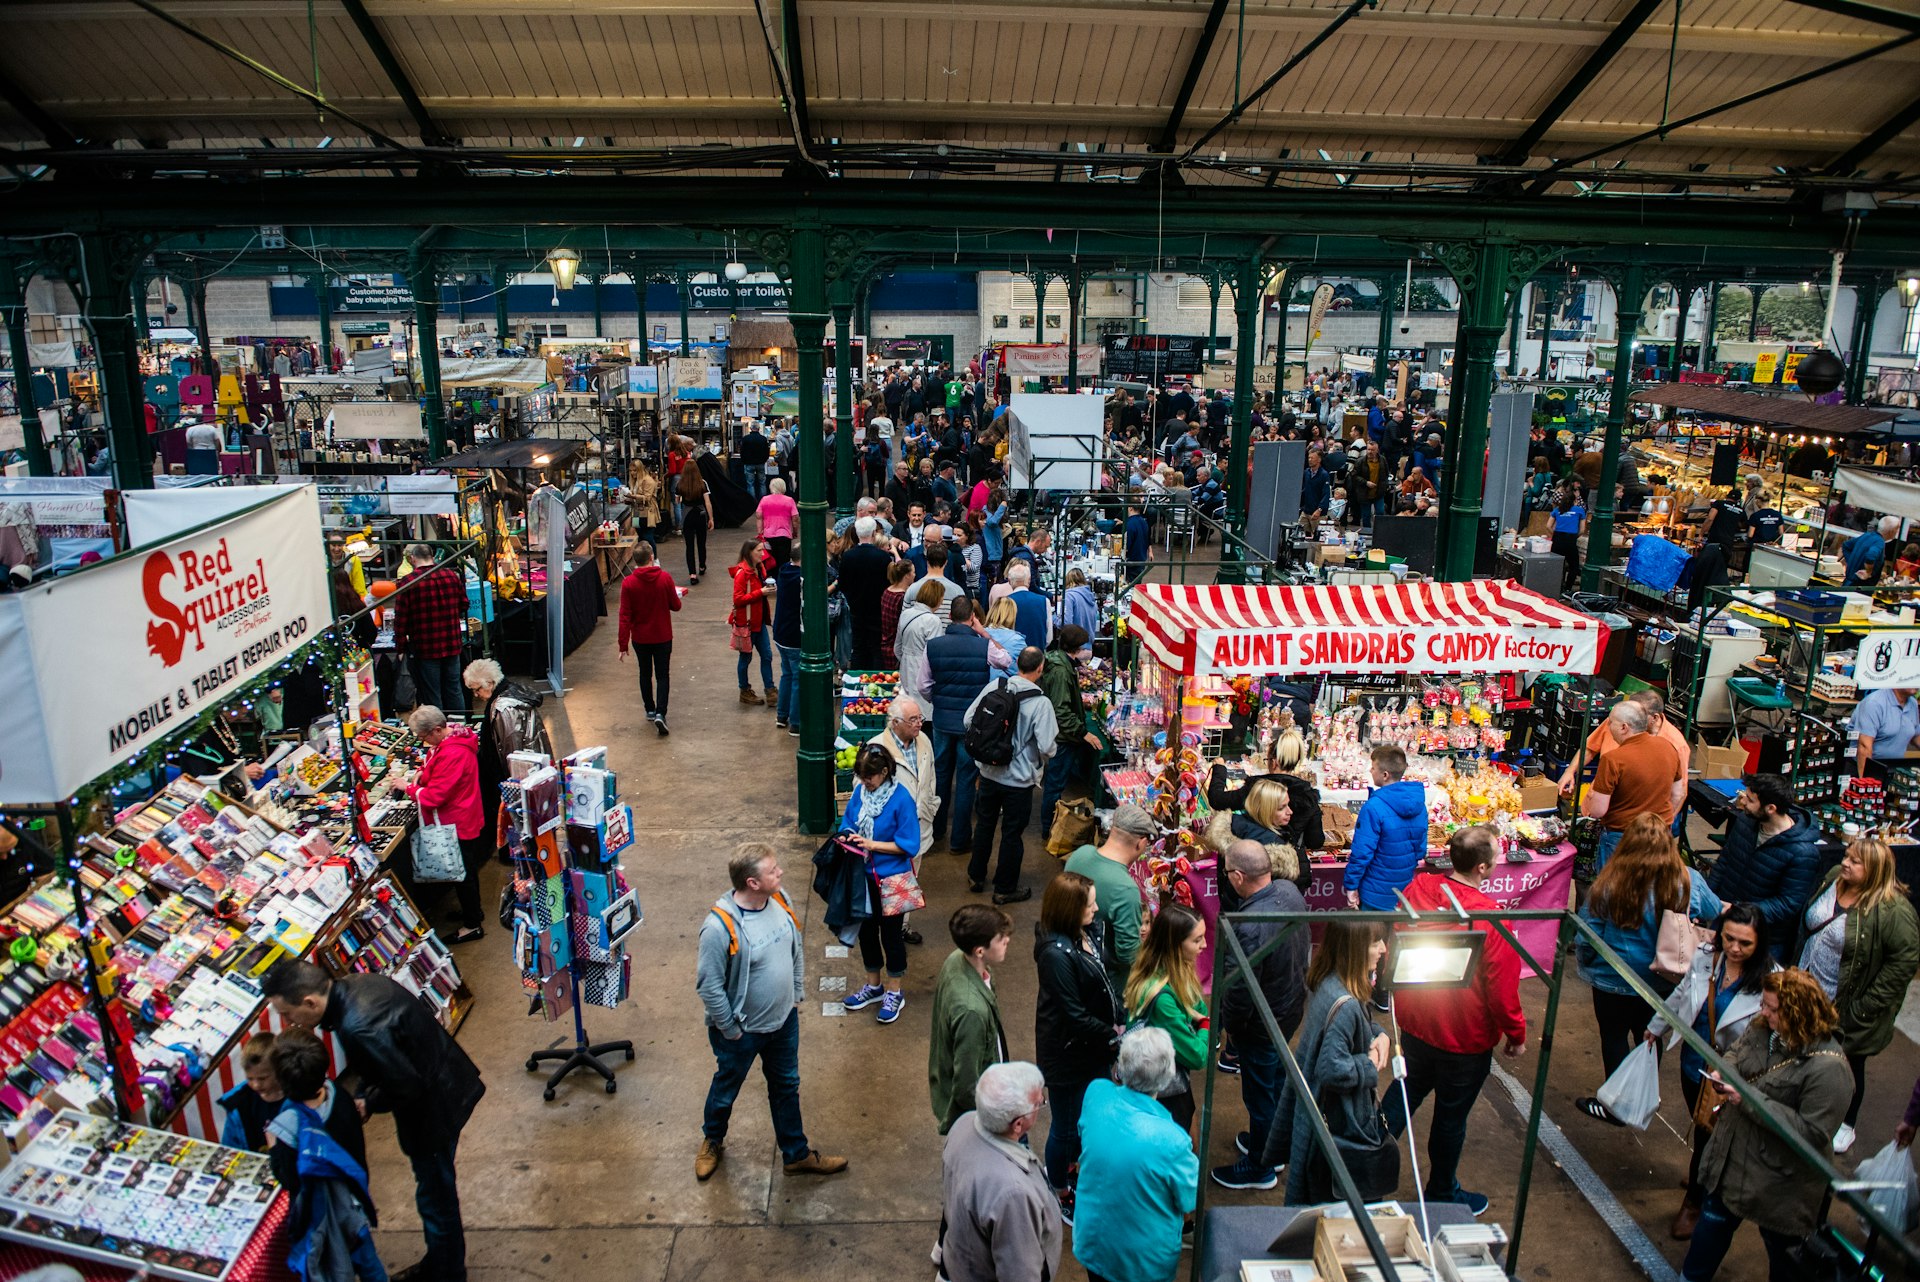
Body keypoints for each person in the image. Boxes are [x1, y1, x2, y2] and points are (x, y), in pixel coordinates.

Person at [262, 960, 485, 1282]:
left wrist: (369, 1102)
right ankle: (441, 1262)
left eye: (288, 1014)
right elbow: (380, 1062)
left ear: (310, 1002)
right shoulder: (358, 985)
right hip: (445, 1082)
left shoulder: (358, 1026)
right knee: (436, 1193)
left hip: (433, 1111)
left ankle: (447, 1272)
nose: (290, 1022)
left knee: (436, 1199)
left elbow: (405, 1084)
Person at [1383, 826, 1526, 1217]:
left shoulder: (1417, 890)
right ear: (1483, 868)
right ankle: (1442, 1191)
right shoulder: (1490, 919)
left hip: (1416, 1021)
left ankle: (1362, 1162)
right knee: (1450, 1117)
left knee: (1402, 1094)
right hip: (1464, 1037)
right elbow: (1501, 988)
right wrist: (1516, 1033)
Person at [1680, 969, 1852, 1282]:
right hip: (1732, 1162)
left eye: (1772, 1009)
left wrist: (1745, 1098)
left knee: (1783, 1256)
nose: (1764, 1013)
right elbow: (1735, 1051)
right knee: (1711, 1226)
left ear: (1797, 1014)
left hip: (1780, 1183)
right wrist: (1724, 1071)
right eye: (1764, 1005)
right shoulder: (1763, 1028)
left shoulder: (1830, 1069)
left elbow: (1813, 1133)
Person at [693, 843, 848, 1181]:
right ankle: (712, 1140)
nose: (781, 873)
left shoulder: (780, 900)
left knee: (786, 1087)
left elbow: (794, 948)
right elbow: (709, 987)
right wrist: (732, 1030)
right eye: (772, 871)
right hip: (742, 1032)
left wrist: (795, 994)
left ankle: (796, 1154)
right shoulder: (718, 928)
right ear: (752, 883)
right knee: (726, 1087)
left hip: (783, 1022)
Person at [1574, 814, 1722, 1123]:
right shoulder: (1687, 880)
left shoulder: (1610, 881)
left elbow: (1588, 933)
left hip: (1613, 979)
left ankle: (1615, 1106)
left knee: (1613, 1037)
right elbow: (1712, 909)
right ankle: (1641, 1100)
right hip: (1663, 982)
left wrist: (1588, 964)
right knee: (1650, 1038)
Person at [1646, 904, 1778, 1240]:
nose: (1734, 948)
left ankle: (1694, 1201)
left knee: (1710, 1134)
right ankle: (1704, 1171)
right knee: (1700, 1122)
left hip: (1730, 1075)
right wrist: (1656, 1026)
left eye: (1744, 943)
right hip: (1694, 1063)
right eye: (1729, 938)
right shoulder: (1708, 955)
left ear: (1759, 944)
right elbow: (1682, 993)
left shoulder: (1770, 980)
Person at [1796, 835, 1920, 1153]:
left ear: (1875, 871)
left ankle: (1846, 1124)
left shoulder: (1894, 912)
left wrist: (1864, 1007)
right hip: (1808, 980)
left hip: (1846, 1003)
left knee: (1849, 1063)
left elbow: (1903, 964)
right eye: (1847, 856)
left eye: (1854, 861)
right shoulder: (1835, 876)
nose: (1845, 863)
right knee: (1803, 1048)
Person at [1211, 840, 1313, 1190]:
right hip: (1288, 1008)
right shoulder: (1288, 890)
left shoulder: (1249, 926)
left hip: (1263, 1022)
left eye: (1227, 874)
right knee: (1276, 1082)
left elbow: (1237, 991)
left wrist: (1234, 1033)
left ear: (1238, 876)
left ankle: (1260, 1166)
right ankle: (1272, 1145)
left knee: (1260, 1096)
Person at [1267, 920, 1391, 1205]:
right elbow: (1333, 1069)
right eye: (1376, 943)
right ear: (1356, 950)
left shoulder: (1330, 981)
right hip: (1337, 1128)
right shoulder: (1346, 1003)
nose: (1383, 949)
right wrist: (1370, 1062)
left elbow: (1352, 1025)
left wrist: (1379, 1033)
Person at [1072, 1028, 1200, 1282]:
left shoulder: (1096, 1094)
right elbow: (1190, 1199)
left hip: (1094, 1243)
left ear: (1121, 1067)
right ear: (1167, 1078)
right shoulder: (1173, 1140)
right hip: (1143, 1264)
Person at [1033, 870, 1122, 1219]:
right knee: (1067, 1125)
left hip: (1093, 1046)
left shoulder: (1086, 932)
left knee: (1085, 1120)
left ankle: (1071, 1168)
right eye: (1090, 904)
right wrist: (1116, 1034)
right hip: (1068, 1054)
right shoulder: (1056, 955)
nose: (1096, 908)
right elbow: (1072, 1014)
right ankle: (1058, 1187)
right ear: (1070, 909)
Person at [264, 1031, 384, 1282]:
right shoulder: (338, 1094)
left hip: (320, 1214)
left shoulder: (287, 1125)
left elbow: (288, 1179)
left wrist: (274, 1146)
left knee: (330, 1266)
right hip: (353, 1199)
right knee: (368, 1260)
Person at [934, 1062, 1063, 1282]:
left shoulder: (963, 1124)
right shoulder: (1013, 1194)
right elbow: (1019, 1272)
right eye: (1038, 1103)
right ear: (1018, 1125)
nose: (1042, 1102)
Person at [837, 744, 924, 1025]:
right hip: (863, 878)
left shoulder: (901, 800)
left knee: (891, 936)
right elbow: (847, 821)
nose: (865, 783)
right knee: (866, 932)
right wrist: (848, 836)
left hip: (892, 880)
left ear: (884, 772)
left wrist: (872, 844)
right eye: (862, 778)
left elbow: (909, 844)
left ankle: (895, 992)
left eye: (870, 777)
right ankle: (874, 986)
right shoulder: (861, 794)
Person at [965, 646, 1059, 905]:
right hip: (1018, 781)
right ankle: (1005, 888)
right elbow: (1048, 746)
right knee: (1011, 833)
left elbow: (968, 720)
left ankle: (975, 875)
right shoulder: (1041, 703)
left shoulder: (997, 685)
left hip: (987, 774)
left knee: (984, 824)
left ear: (1018, 663)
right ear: (1040, 669)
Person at [397, 705, 487, 945]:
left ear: (437, 730)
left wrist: (408, 788)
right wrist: (421, 773)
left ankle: (472, 925)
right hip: (465, 813)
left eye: (424, 737)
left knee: (463, 874)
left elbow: (436, 796)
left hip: (456, 820)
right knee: (466, 871)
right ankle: (473, 912)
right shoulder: (456, 739)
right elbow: (435, 768)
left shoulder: (452, 754)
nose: (424, 742)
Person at [1705, 774, 1821, 955]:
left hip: (1761, 941)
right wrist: (1708, 899)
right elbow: (1725, 861)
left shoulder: (1802, 853)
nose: (1743, 802)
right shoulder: (1746, 821)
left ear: (1771, 808)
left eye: (1750, 800)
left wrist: (1740, 911)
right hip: (1725, 920)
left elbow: (1787, 903)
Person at [1124, 903, 1209, 1131]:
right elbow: (1198, 1055)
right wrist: (1204, 1026)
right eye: (1197, 939)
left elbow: (1197, 1004)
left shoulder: (1170, 969)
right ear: (1176, 945)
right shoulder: (1162, 999)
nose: (1205, 945)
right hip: (1162, 1098)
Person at [929, 904, 1013, 1135]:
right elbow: (967, 1085)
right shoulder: (972, 1012)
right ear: (979, 951)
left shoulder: (957, 958)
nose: (1007, 940)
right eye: (1000, 938)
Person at [925, 596, 996, 856]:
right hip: (970, 724)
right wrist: (983, 632)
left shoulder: (934, 646)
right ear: (972, 617)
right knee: (966, 779)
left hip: (942, 721)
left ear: (950, 617)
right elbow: (1006, 660)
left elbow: (924, 684)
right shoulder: (983, 647)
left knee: (941, 775)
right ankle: (959, 840)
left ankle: (937, 828)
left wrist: (938, 700)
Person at [463, 657, 552, 853]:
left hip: (516, 778)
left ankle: (518, 851)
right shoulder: (509, 694)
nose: (476, 695)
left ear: (490, 683)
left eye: (477, 689)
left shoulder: (505, 708)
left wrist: (510, 783)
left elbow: (512, 750)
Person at [1062, 803, 1154, 993]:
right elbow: (1128, 953)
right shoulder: (1126, 889)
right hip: (1106, 986)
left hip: (1070, 968)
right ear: (1141, 843)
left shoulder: (1080, 854)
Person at [1582, 701, 1685, 869]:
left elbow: (1597, 811)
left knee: (1615, 890)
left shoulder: (1613, 759)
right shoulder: (1668, 747)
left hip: (1622, 837)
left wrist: (1592, 800)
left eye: (1611, 722)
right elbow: (1678, 794)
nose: (1608, 727)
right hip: (1659, 834)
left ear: (1624, 727)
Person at [1557, 689, 1691, 796]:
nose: (1633, 716)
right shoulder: (1619, 721)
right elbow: (1590, 747)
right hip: (1599, 805)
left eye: (1640, 713)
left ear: (1655, 718)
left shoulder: (1676, 745)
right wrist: (1570, 771)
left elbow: (1679, 792)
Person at [1344, 744, 1427, 910]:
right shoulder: (1420, 806)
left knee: (1372, 936)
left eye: (1373, 767)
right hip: (1403, 890)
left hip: (1374, 892)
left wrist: (1351, 886)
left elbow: (1362, 853)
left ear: (1385, 775)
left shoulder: (1373, 807)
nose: (1370, 770)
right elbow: (1420, 850)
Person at [1037, 625, 1100, 843]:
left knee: (1055, 783)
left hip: (1062, 735)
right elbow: (1061, 710)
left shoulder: (1057, 660)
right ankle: (1049, 829)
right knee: (1055, 785)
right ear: (1077, 648)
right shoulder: (1061, 671)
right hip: (1062, 738)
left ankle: (1049, 824)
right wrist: (1084, 733)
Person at [392, 543, 467, 713]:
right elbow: (464, 604)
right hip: (452, 643)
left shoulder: (408, 583)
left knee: (432, 694)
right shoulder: (451, 576)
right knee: (454, 689)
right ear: (432, 556)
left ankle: (438, 732)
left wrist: (401, 647)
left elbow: (400, 620)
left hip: (426, 648)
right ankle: (461, 727)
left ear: (412, 559)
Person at [616, 541, 681, 736]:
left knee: (645, 673)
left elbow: (624, 615)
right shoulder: (665, 578)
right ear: (651, 557)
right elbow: (676, 606)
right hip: (662, 635)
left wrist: (622, 644)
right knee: (663, 675)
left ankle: (650, 709)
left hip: (640, 638)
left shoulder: (628, 583)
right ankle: (661, 712)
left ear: (635, 560)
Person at [839, 516, 895, 670]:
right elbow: (889, 583)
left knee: (858, 646)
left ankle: (857, 681)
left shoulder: (848, 556)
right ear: (873, 533)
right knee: (876, 648)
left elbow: (842, 584)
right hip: (877, 610)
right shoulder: (883, 557)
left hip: (856, 609)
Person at [727, 539, 777, 708]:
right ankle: (744, 690)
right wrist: (760, 592)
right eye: (759, 551)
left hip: (758, 622)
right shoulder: (742, 573)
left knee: (767, 655)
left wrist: (767, 590)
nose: (762, 554)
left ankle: (770, 690)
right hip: (747, 624)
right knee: (745, 658)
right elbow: (738, 599)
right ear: (749, 552)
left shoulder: (760, 568)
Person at [217, 1032, 284, 1153]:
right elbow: (230, 1147)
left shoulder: (296, 1094)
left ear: (279, 1070)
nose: (256, 1085)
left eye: (263, 1078)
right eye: (250, 1078)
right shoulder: (239, 1104)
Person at [896, 579, 949, 703]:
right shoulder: (933, 621)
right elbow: (935, 656)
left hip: (905, 671)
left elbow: (897, 648)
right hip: (923, 675)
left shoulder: (906, 614)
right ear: (936, 598)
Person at [1851, 685, 1920, 779]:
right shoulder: (1874, 703)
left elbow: (1916, 735)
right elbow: (1864, 747)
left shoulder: (1912, 703)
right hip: (1865, 769)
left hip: (1894, 769)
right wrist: (1867, 783)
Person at [771, 541, 803, 733]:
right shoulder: (800, 579)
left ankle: (782, 716)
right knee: (798, 679)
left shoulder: (784, 570)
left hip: (780, 633)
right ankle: (796, 723)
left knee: (787, 675)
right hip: (793, 636)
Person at [677, 453, 714, 583]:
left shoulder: (680, 484)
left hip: (687, 515)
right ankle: (702, 565)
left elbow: (677, 501)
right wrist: (711, 518)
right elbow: (708, 502)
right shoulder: (702, 483)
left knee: (689, 546)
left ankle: (692, 574)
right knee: (701, 543)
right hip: (700, 514)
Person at [1002, 561, 1052, 652]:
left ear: (1009, 581)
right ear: (1028, 580)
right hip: (1037, 655)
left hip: (1013, 656)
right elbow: (1048, 638)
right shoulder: (1044, 601)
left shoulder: (1004, 602)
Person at [1842, 514, 1900, 585]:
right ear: (1892, 531)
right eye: (1897, 529)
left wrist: (1851, 562)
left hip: (1848, 582)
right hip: (1859, 587)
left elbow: (1846, 546)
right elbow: (1870, 556)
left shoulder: (1867, 535)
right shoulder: (1879, 542)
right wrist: (1868, 572)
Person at [1550, 481, 1587, 591]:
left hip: (1557, 538)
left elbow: (1548, 525)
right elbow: (1582, 529)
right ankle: (1568, 588)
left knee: (1557, 565)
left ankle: (1557, 586)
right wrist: (1575, 535)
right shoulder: (1580, 511)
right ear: (1575, 501)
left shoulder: (1557, 510)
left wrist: (1555, 533)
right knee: (1574, 566)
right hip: (1570, 539)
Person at [754, 476, 798, 563]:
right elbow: (795, 518)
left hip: (768, 534)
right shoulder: (789, 500)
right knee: (784, 560)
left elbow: (759, 516)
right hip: (784, 534)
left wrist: (760, 531)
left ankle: (771, 576)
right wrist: (795, 532)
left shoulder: (764, 500)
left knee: (770, 561)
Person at [981, 597, 1027, 679]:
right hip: (1007, 688)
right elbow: (1022, 672)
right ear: (1013, 615)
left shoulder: (978, 635)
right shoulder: (1018, 640)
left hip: (980, 687)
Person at [1059, 567, 1099, 638]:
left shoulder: (1069, 596)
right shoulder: (1090, 596)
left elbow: (1066, 623)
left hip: (1075, 644)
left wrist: (1053, 619)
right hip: (1088, 644)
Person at [1123, 499, 1152, 584]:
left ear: (1130, 508)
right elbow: (1147, 539)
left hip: (1132, 561)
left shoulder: (1130, 524)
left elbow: (1127, 545)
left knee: (1130, 586)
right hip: (1141, 560)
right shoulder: (1144, 522)